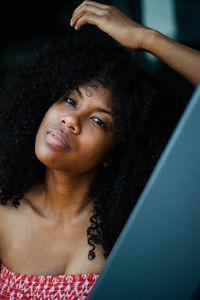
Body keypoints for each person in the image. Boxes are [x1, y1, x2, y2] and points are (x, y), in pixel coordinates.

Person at [0, 1, 199, 299]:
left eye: (98, 120)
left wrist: (147, 38)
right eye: (69, 100)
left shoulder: (137, 225)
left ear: (112, 154)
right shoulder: (3, 214)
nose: (71, 120)